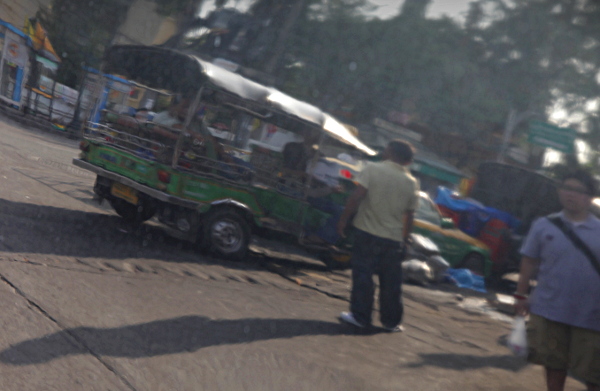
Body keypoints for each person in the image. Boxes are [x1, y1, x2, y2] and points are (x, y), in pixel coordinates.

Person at [516, 169, 600, 391]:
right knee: (554, 365)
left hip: (591, 316)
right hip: (550, 310)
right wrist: (520, 295)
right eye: (566, 188)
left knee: (594, 373)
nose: (570, 194)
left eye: (578, 191)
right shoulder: (543, 225)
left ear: (590, 197)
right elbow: (528, 263)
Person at [336, 140, 419, 332]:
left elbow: (356, 196)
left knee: (363, 275)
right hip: (393, 239)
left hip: (367, 233)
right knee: (391, 282)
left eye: (386, 148)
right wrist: (405, 239)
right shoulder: (411, 182)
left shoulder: (372, 169)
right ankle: (391, 322)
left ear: (390, 152)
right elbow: (410, 215)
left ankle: (360, 317)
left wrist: (343, 220)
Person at [281, 129, 343, 246]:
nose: (316, 136)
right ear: (305, 133)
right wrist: (306, 176)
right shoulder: (292, 148)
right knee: (339, 210)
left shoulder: (319, 155)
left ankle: (313, 233)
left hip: (312, 190)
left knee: (336, 205)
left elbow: (321, 176)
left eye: (318, 134)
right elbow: (285, 170)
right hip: (294, 188)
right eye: (313, 132)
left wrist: (330, 185)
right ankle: (320, 236)